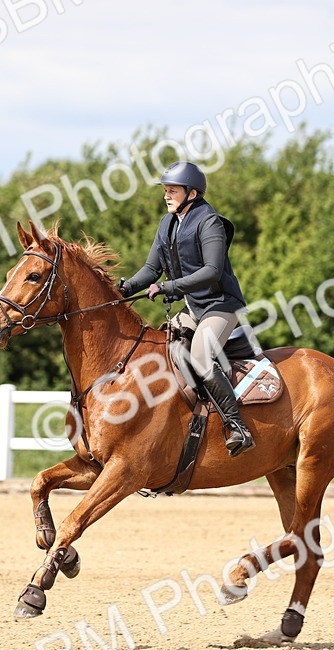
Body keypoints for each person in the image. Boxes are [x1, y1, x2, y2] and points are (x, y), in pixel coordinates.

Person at [120, 161, 255, 456]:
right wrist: (126, 288)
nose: (166, 195)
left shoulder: (210, 222)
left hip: (220, 306)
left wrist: (170, 287)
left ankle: (237, 426)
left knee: (200, 355)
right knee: (161, 349)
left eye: (172, 191)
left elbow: (211, 271)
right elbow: (151, 268)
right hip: (194, 306)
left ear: (192, 193)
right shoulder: (167, 223)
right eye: (165, 190)